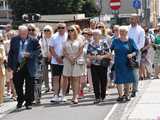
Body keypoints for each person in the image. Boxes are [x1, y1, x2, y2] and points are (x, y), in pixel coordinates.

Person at [8, 25, 40, 109]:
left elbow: (38, 52)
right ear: (19, 32)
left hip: (29, 65)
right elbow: (11, 53)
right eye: (21, 33)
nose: (23, 35)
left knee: (29, 85)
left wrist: (30, 54)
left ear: (27, 32)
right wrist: (10, 65)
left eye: (25, 33)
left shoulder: (33, 40)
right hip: (18, 65)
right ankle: (20, 99)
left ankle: (28, 102)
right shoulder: (14, 40)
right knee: (17, 84)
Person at [111, 26, 138, 102]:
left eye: (124, 31)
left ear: (127, 32)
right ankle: (120, 96)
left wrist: (132, 54)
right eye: (121, 31)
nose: (122, 33)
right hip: (118, 63)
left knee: (127, 79)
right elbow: (110, 49)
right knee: (119, 80)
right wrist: (111, 53)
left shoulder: (130, 41)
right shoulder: (115, 41)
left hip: (127, 63)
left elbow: (136, 51)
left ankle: (127, 95)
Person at [87, 29, 112, 104]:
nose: (95, 36)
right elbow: (88, 55)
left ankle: (103, 96)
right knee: (95, 81)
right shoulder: (90, 44)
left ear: (100, 35)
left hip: (103, 64)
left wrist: (101, 57)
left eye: (97, 34)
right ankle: (97, 97)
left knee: (103, 80)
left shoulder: (104, 43)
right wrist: (94, 57)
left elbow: (109, 54)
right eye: (94, 34)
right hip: (94, 65)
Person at [63, 25, 85, 104]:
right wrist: (69, 58)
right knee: (71, 79)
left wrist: (74, 58)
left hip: (77, 60)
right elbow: (64, 51)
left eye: (72, 30)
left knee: (76, 79)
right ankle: (74, 95)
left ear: (75, 31)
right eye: (68, 30)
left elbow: (81, 51)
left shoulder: (80, 40)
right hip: (68, 60)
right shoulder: (66, 41)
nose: (70, 32)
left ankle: (76, 96)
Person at [128, 14, 145, 97]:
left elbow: (141, 43)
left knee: (135, 71)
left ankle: (134, 89)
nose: (131, 20)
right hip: (127, 53)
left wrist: (134, 50)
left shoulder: (141, 30)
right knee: (127, 71)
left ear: (137, 19)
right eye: (130, 19)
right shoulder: (127, 29)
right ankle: (127, 88)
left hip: (136, 53)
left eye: (133, 19)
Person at [50, 23, 68, 102]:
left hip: (66, 60)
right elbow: (51, 48)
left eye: (62, 27)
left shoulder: (68, 36)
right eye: (59, 27)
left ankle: (63, 95)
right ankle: (56, 95)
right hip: (55, 61)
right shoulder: (53, 36)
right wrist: (57, 57)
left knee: (65, 78)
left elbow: (69, 48)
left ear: (65, 28)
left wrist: (63, 57)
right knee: (55, 78)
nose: (61, 29)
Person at [39, 25, 53, 93]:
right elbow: (40, 48)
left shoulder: (53, 38)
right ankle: (47, 87)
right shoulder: (41, 39)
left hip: (53, 56)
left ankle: (53, 86)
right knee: (45, 73)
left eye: (48, 30)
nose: (46, 31)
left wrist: (50, 55)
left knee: (54, 72)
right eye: (45, 30)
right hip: (44, 56)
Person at [0, 36, 6, 105]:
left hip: (1, 69)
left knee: (1, 85)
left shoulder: (1, 47)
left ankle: (0, 101)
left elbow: (3, 58)